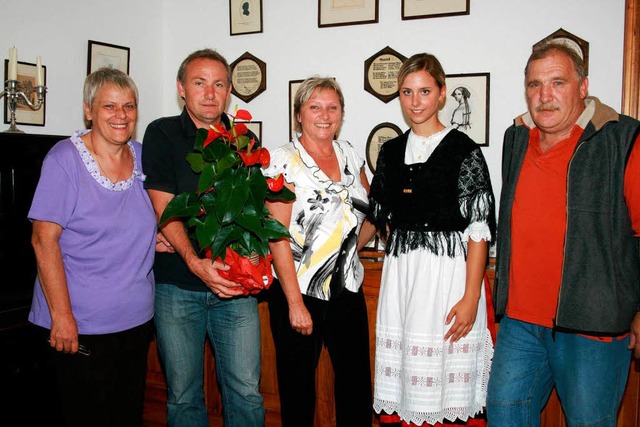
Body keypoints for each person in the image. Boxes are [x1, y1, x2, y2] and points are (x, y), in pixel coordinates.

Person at [487, 42, 640, 426]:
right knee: (503, 418)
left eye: (557, 82)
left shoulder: (621, 139)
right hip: (519, 322)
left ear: (583, 86)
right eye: (535, 84)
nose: (545, 95)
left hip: (593, 326)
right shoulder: (515, 138)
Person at [368, 53, 495, 426]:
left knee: (446, 383)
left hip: (450, 278)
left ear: (441, 93)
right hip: (403, 277)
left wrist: (471, 297)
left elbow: (478, 230)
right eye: (407, 92)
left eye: (424, 91)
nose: (415, 101)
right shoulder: (390, 151)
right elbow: (376, 217)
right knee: (406, 381)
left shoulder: (463, 150)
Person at [141, 48, 265, 427]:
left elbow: (254, 210)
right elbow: (164, 208)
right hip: (177, 289)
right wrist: (195, 262)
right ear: (182, 88)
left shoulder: (243, 138)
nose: (209, 93)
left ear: (229, 90)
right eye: (199, 83)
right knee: (183, 395)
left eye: (218, 84)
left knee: (246, 392)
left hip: (234, 288)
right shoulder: (161, 133)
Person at [28, 67, 156, 427]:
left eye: (129, 106)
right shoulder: (64, 160)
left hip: (135, 320)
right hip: (79, 324)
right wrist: (63, 317)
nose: (122, 115)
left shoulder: (144, 156)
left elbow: (145, 226)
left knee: (126, 415)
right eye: (110, 106)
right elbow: (43, 240)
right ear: (89, 110)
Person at [263, 76, 374, 427]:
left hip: (347, 290)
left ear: (341, 113)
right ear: (299, 114)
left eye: (332, 107)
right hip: (297, 292)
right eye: (315, 107)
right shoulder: (283, 159)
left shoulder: (350, 154)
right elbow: (277, 236)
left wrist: (348, 251)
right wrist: (295, 304)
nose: (324, 115)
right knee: (298, 396)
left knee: (356, 391)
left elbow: (369, 212)